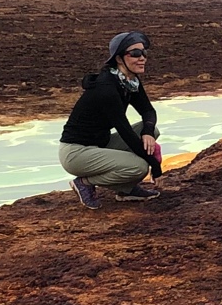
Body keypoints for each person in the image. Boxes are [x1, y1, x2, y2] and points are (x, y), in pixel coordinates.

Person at [59, 32, 163, 207]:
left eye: (144, 53)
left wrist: (147, 131)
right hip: (76, 153)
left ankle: (126, 189)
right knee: (138, 167)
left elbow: (147, 110)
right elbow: (126, 132)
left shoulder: (129, 82)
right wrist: (156, 166)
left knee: (153, 130)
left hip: (100, 143)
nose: (142, 58)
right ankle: (84, 183)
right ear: (119, 58)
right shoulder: (107, 89)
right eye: (135, 53)